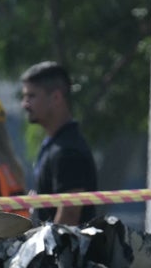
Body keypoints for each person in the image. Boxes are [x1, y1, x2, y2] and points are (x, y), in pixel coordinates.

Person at [19, 61, 97, 226]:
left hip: (67, 251)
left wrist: (49, 251)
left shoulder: (67, 150)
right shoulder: (55, 145)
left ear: (56, 97)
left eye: (31, 96)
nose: (24, 104)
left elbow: (69, 214)